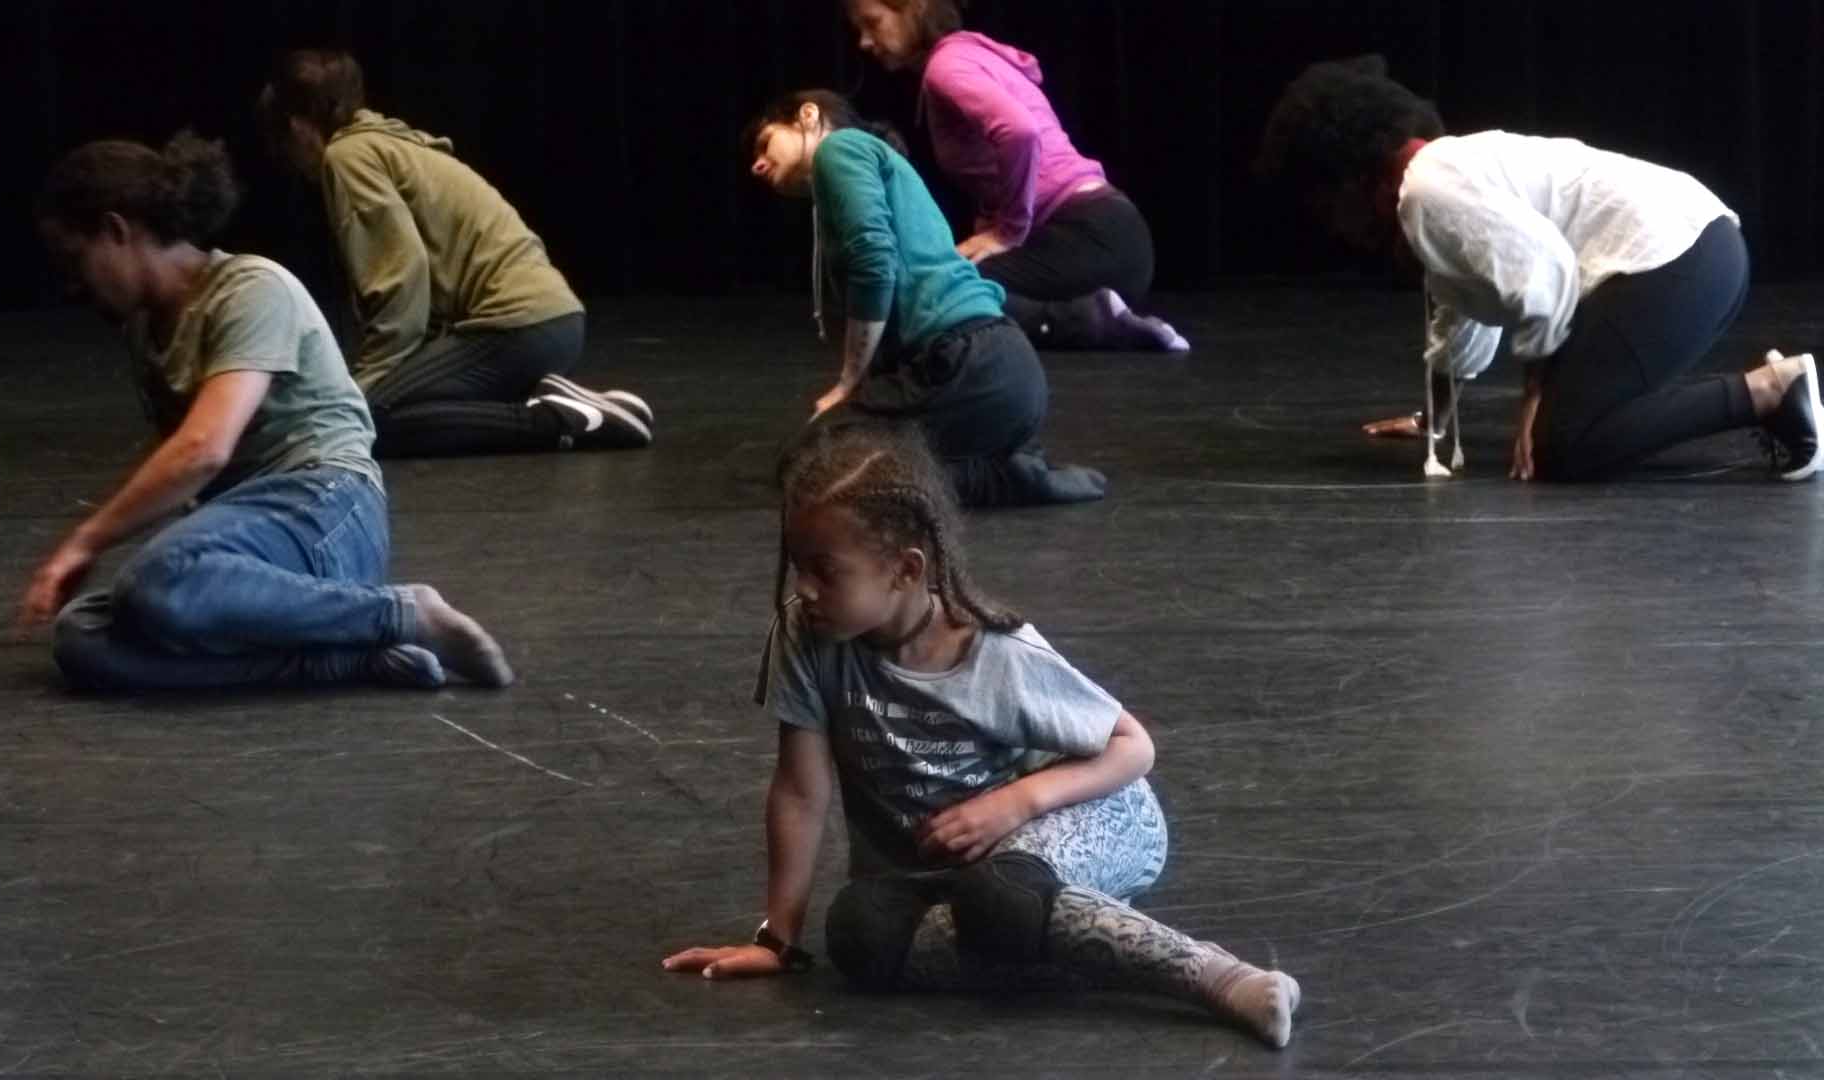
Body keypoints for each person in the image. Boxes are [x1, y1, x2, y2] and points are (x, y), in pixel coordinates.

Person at [661, 423, 1300, 1047]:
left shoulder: (998, 652)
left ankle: (1218, 976)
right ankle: (1067, 928)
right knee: (862, 936)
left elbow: (1134, 747)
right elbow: (800, 791)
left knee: (1001, 897)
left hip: (1094, 814)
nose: (803, 588)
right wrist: (778, 939)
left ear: (905, 570)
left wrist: (1013, 804)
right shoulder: (808, 636)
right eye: (797, 565)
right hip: (950, 871)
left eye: (825, 571)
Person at [20, 133, 515, 691]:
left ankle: (401, 614)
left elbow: (203, 449)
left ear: (117, 230)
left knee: (161, 581)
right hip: (255, 533)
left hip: (325, 508)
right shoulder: (147, 331)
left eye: (75, 259)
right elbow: (191, 481)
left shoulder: (251, 289)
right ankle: (345, 660)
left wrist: (87, 540)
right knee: (82, 635)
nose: (73, 283)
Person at [1256, 55, 1819, 482]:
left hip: (1680, 260)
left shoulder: (1427, 190)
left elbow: (1545, 272)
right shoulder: (1438, 181)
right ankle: (1766, 392)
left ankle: (1769, 393)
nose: (1336, 227)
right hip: (1694, 255)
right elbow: (1463, 317)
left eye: (1327, 206)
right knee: (1570, 430)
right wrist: (1434, 421)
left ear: (1351, 177)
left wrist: (1534, 403)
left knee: (1562, 447)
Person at [259, 49, 652, 458]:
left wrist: (364, 385)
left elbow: (401, 280)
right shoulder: (390, 144)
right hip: (552, 323)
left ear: (296, 126)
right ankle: (560, 403)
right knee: (375, 408)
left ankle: (556, 421)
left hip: (516, 328)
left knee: (363, 419)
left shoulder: (348, 157)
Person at [746, 89, 1107, 507]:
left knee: (810, 460)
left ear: (808, 115)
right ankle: (999, 463)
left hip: (966, 364)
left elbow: (874, 261)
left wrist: (848, 382)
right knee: (836, 455)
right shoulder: (874, 169)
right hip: (1001, 372)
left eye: (765, 143)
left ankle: (1006, 479)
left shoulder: (840, 148)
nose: (757, 165)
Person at [845, 0, 1187, 354]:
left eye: (873, 22)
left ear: (916, 8)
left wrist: (1008, 231)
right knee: (938, 286)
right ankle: (1098, 316)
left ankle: (1092, 320)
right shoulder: (971, 55)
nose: (864, 42)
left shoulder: (947, 67)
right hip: (1111, 237)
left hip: (1092, 238)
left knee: (934, 294)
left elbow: (1020, 132)